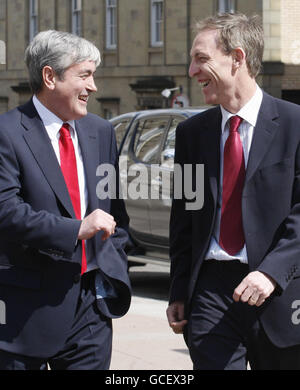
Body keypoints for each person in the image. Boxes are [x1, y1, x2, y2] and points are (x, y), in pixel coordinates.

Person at [167, 12, 300, 370]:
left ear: (237, 58)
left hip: (281, 291)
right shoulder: (191, 135)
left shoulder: (295, 124)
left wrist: (271, 272)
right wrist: (179, 289)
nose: (192, 71)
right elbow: (185, 216)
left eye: (202, 59)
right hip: (211, 292)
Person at [0, 30, 131, 370]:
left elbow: (116, 213)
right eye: (84, 75)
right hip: (24, 311)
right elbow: (5, 210)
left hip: (92, 310)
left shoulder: (101, 132)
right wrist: (76, 229)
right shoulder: (7, 133)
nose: (93, 87)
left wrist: (114, 265)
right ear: (50, 76)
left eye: (94, 76)